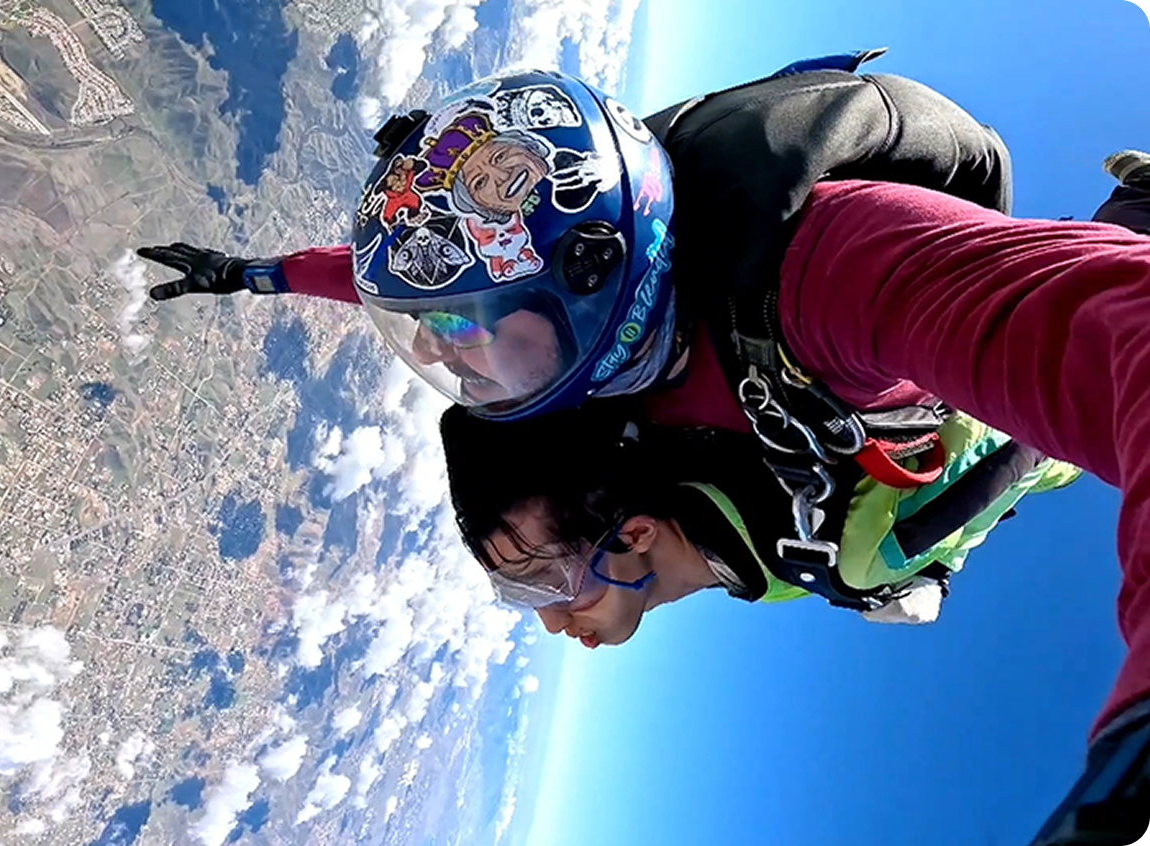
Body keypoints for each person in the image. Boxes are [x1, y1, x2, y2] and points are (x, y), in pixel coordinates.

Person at [139, 62, 1150, 842]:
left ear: (588, 281)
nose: (468, 363)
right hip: (868, 470)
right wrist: (255, 274)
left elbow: (1124, 328)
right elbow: (438, 288)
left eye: (539, 586)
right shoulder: (603, 400)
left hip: (963, 387)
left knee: (898, 536)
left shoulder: (825, 272)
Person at [438, 399, 1078, 639]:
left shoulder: (843, 559)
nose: (551, 622)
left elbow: (1018, 432)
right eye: (518, 591)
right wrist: (935, 568)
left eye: (547, 583)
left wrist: (927, 568)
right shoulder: (739, 536)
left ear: (634, 534)